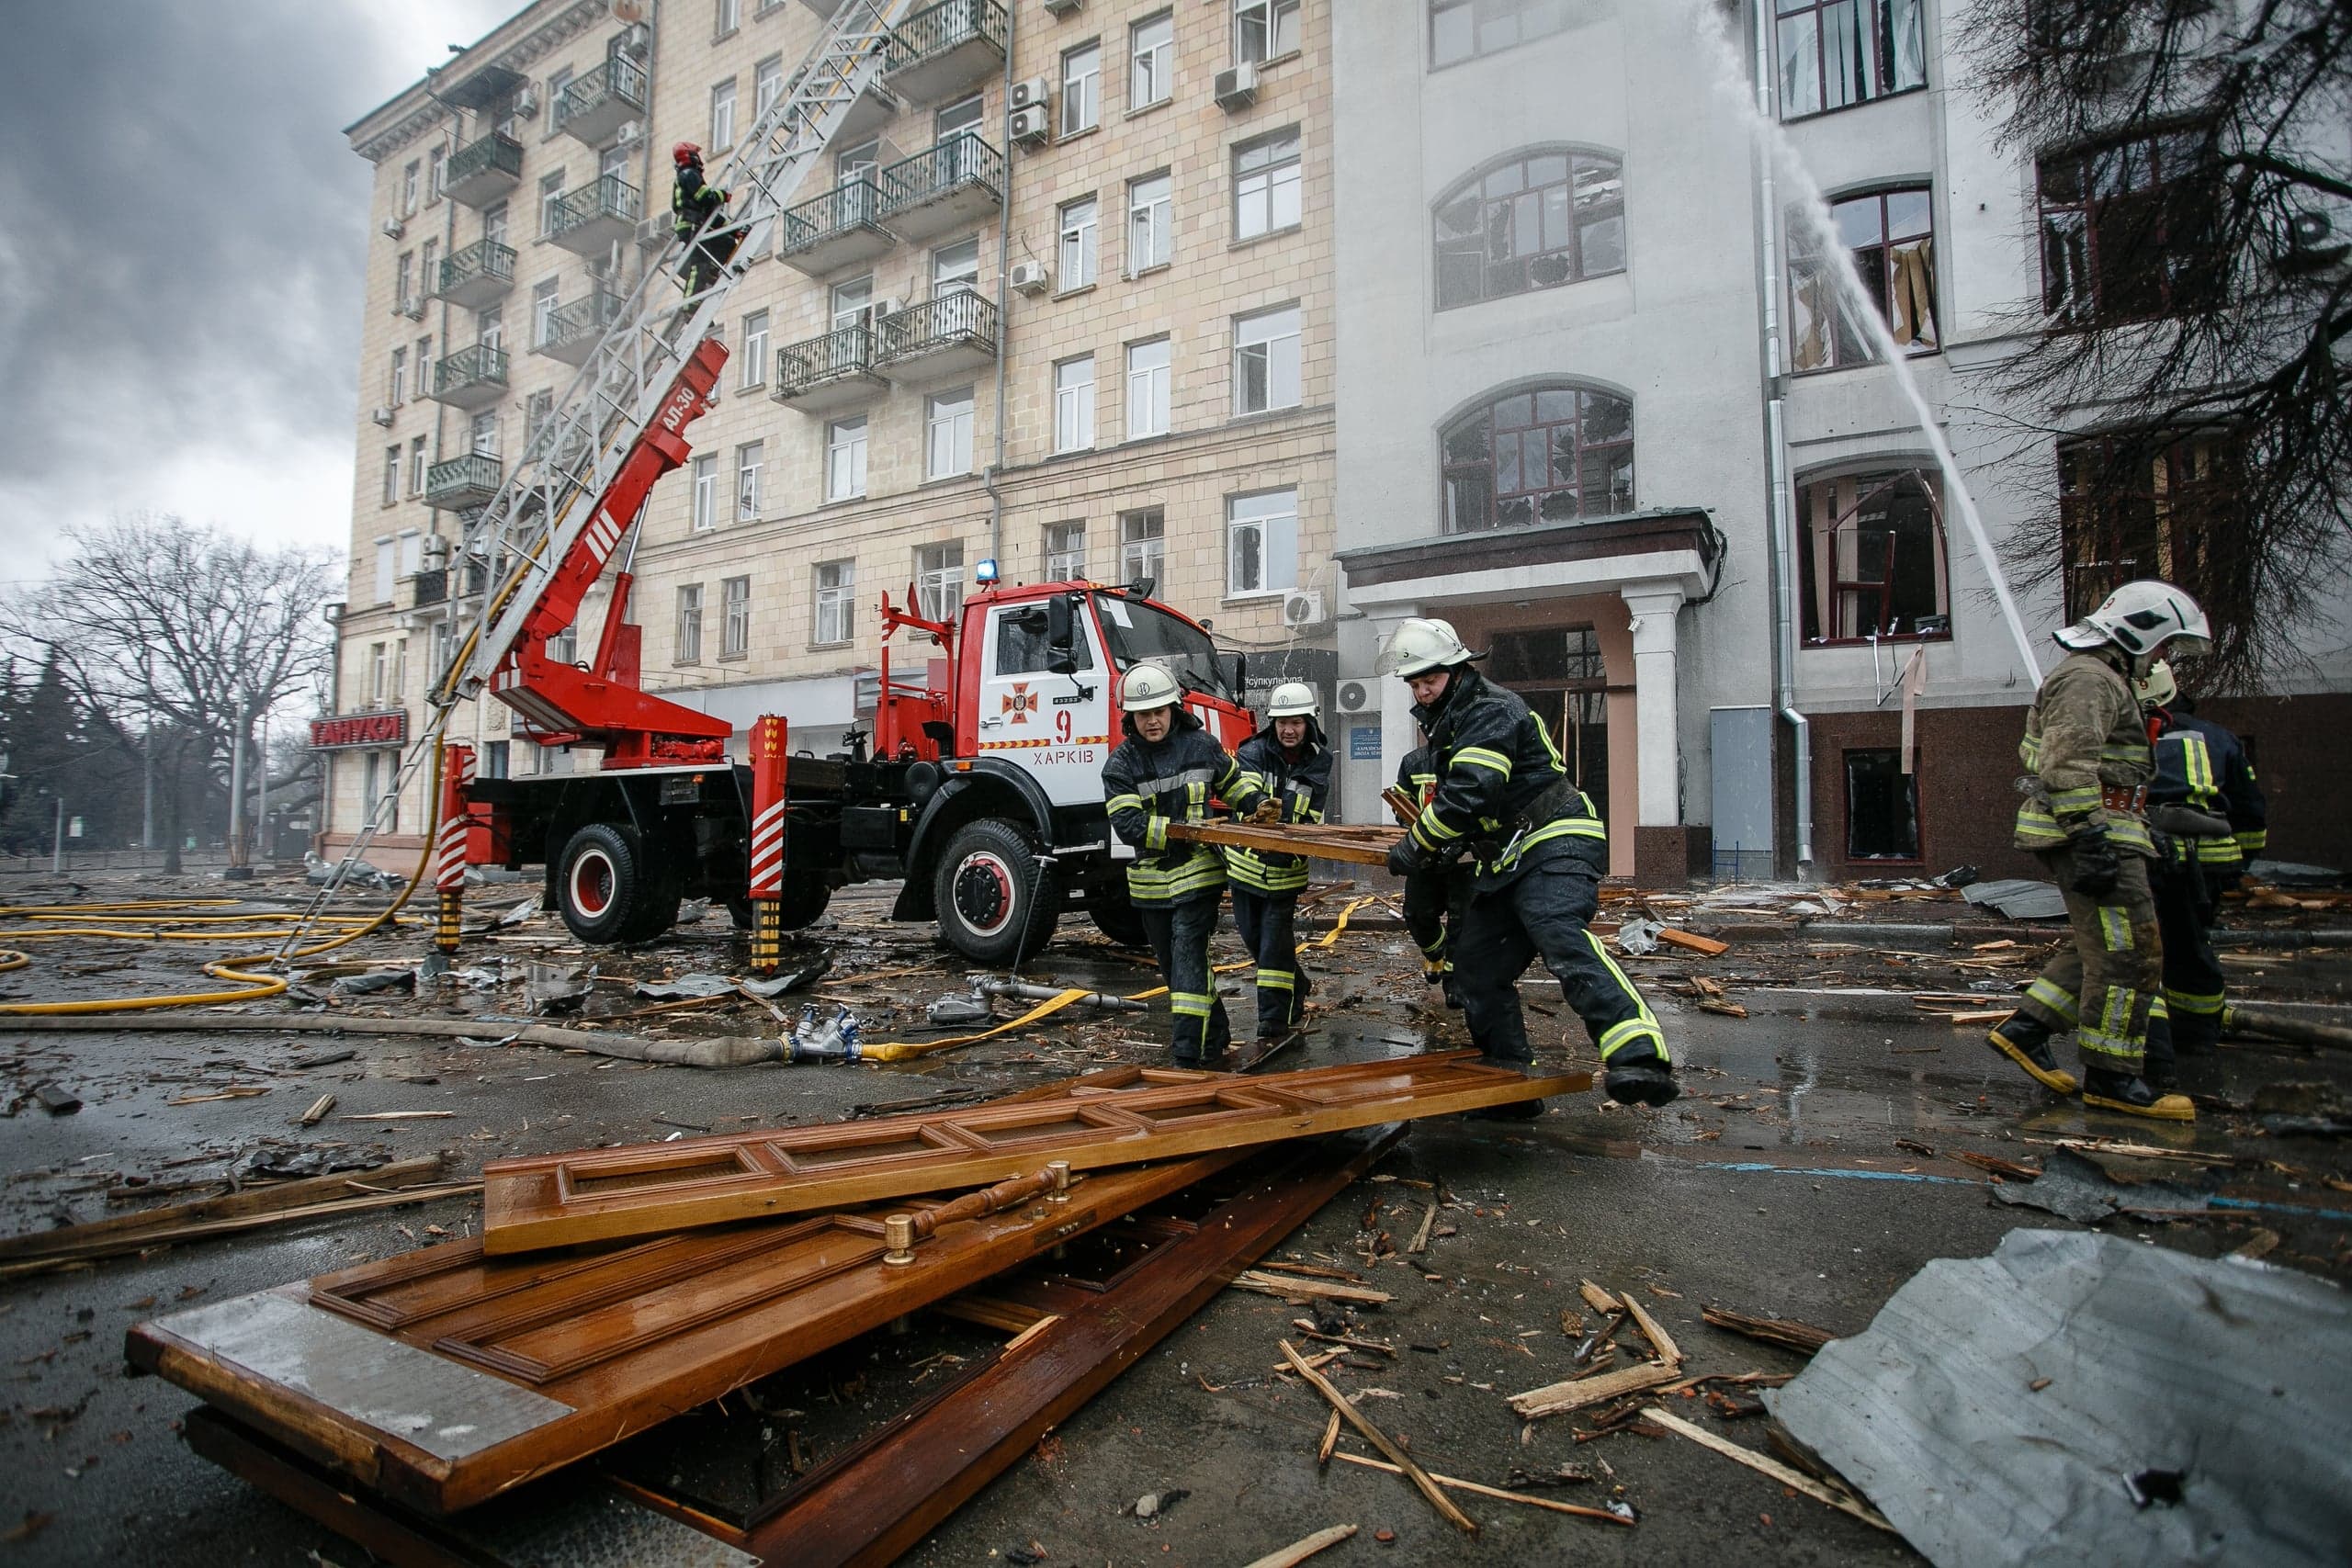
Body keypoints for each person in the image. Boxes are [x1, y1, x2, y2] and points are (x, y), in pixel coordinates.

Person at [1376, 618, 1674, 1111]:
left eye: (1430, 679)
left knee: (1555, 927)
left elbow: (1471, 792)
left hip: (1556, 839)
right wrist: (1449, 846)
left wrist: (1415, 847)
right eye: (1415, 683)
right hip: (1509, 855)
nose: (1423, 691)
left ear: (1457, 669)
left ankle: (1638, 1054)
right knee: (1474, 967)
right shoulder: (1453, 720)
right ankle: (1512, 1084)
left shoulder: (1489, 709)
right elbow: (1478, 807)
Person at [1986, 581, 2211, 1120]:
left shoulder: (2101, 678)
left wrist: (2132, 824)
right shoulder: (2089, 678)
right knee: (2128, 954)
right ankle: (2112, 1076)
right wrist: (2090, 834)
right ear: (2140, 632)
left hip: (2105, 828)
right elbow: (2068, 763)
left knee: (2102, 946)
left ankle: (2028, 1029)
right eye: (2163, 645)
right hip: (2088, 833)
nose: (2161, 658)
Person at [1102, 662, 1271, 1066]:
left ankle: (1188, 1054)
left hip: (1199, 875)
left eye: (1158, 711)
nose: (1152, 721)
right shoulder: (1120, 765)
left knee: (1189, 954)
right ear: (1131, 717)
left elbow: (1233, 781)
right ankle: (1216, 1035)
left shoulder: (1201, 745)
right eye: (1143, 714)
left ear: (1174, 709)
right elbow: (1128, 825)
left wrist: (1256, 804)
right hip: (1151, 886)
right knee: (1175, 968)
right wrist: (1182, 831)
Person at [2136, 658, 2267, 1071]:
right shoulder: (2218, 738)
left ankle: (2153, 1048)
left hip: (2144, 861)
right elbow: (2249, 812)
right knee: (2191, 945)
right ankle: (2198, 1037)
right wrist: (2239, 863)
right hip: (2206, 870)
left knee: (2142, 955)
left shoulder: (2121, 740)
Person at [1225, 682, 1332, 1041]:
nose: (1289, 729)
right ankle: (1297, 983)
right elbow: (1247, 794)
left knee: (1273, 945)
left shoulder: (1320, 760)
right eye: (1282, 722)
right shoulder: (1253, 751)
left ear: (1309, 723)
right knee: (1255, 941)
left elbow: (1309, 812)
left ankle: (1273, 1020)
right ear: (1272, 722)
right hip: (1246, 866)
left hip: (1286, 871)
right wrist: (1258, 805)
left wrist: (1284, 822)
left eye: (1297, 722)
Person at [1396, 724, 1471, 1008]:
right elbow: (1400, 804)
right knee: (1417, 914)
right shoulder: (1413, 763)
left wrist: (1461, 843)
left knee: (1461, 923)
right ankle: (1435, 952)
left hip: (1464, 859)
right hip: (1425, 857)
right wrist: (1415, 836)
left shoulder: (1469, 759)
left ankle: (1455, 985)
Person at [671, 142, 741, 297]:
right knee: (699, 263)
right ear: (690, 156)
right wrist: (722, 195)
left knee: (727, 242)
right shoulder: (689, 174)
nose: (699, 159)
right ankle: (690, 305)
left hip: (697, 222)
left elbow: (710, 215)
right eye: (696, 155)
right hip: (692, 224)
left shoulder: (686, 176)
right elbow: (705, 197)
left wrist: (735, 231)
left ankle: (712, 270)